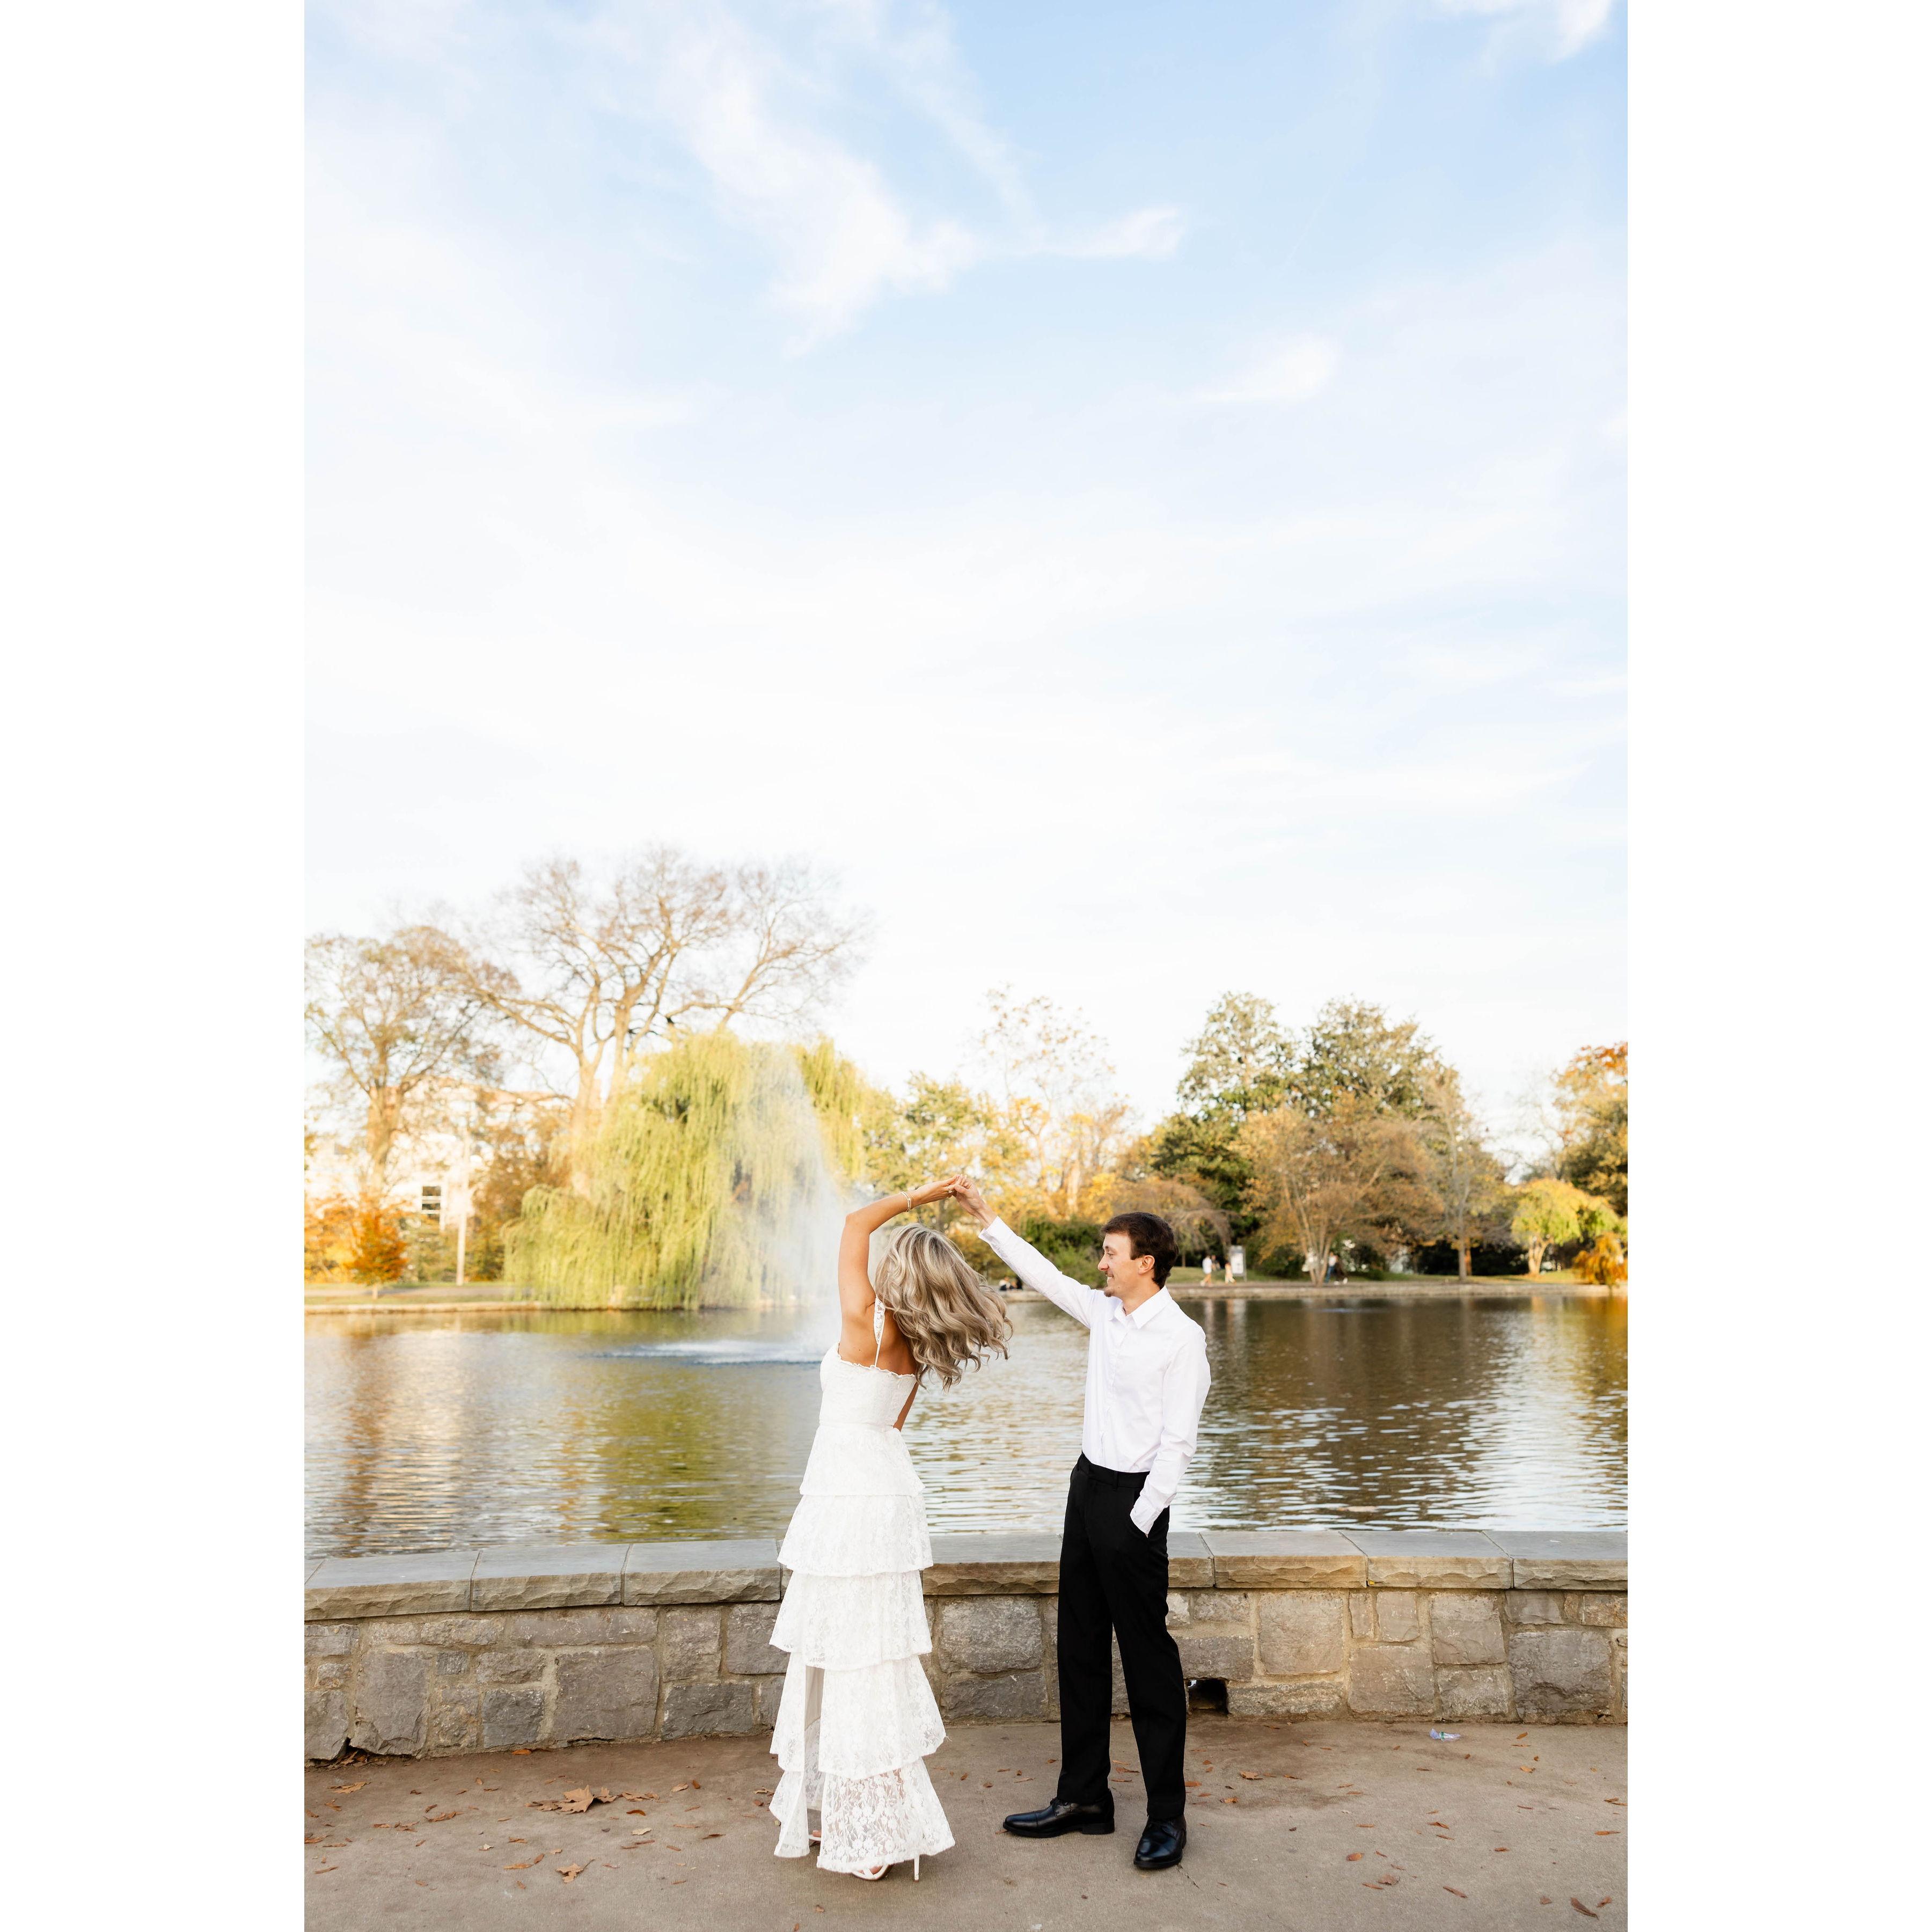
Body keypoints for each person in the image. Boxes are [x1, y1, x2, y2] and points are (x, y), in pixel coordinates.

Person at [949, 1175, 1211, 1874]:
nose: (1101, 1264)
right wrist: (986, 1216)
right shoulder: (1106, 1314)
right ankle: (1085, 1798)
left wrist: (1140, 1518)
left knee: (1149, 1664)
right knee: (1081, 1649)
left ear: (1145, 1264)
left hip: (1135, 1504)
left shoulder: (1181, 1339)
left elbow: (1179, 1445)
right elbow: (1043, 1275)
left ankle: (1167, 1816)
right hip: (1087, 1487)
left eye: (1111, 1254)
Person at [769, 1179, 1010, 1881]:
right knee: (868, 1656)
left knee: (848, 1659)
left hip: (846, 1499)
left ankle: (869, 1835)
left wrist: (926, 1193)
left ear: (899, 1274)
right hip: (884, 1493)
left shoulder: (866, 1323)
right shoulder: (918, 1347)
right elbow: (889, 1426)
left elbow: (854, 1223)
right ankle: (859, 1815)